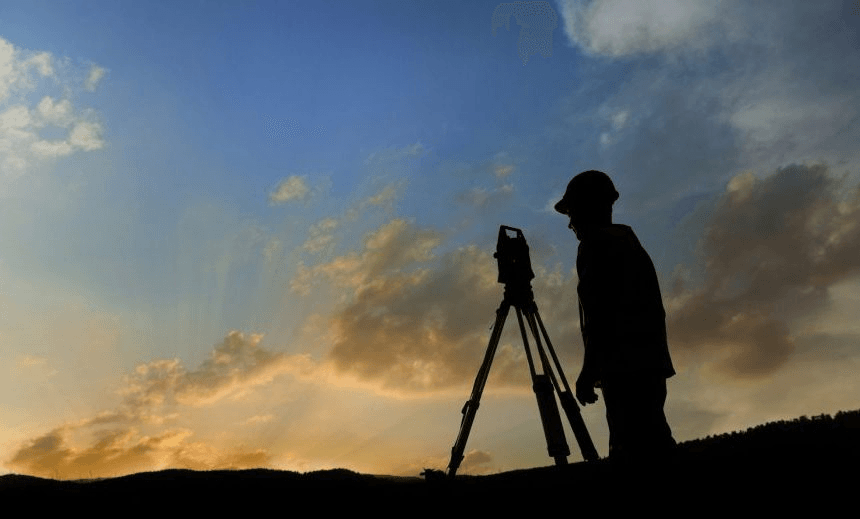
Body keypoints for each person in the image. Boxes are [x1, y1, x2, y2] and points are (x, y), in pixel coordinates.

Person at [554, 170, 676, 463]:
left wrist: (589, 371)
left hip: (624, 367)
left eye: (572, 213)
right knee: (655, 441)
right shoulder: (628, 242)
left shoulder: (594, 246)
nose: (570, 224)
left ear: (588, 208)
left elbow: (601, 316)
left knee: (632, 450)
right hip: (648, 363)